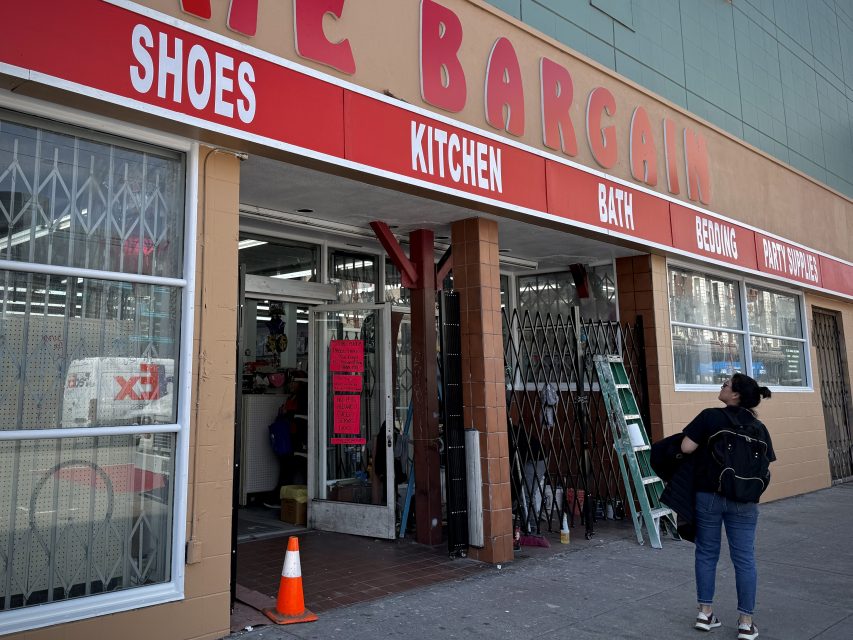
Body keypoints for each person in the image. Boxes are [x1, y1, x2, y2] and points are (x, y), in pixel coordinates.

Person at [680, 373, 775, 640]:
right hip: (744, 501)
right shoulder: (759, 427)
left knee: (707, 553)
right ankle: (746, 622)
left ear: (736, 395)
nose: (721, 386)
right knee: (744, 559)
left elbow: (686, 447)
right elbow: (767, 462)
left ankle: (705, 613)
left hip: (709, 495)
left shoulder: (710, 416)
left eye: (726, 384)